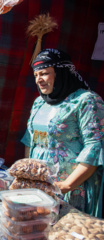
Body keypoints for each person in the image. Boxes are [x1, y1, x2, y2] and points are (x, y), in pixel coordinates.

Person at [21, 49, 104, 218]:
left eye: (44, 73)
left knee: (67, 230)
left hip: (71, 187)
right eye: (36, 75)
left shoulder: (86, 101)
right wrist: (27, 174)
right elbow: (31, 140)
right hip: (41, 185)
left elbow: (94, 147)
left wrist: (66, 185)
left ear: (61, 72)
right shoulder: (39, 102)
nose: (39, 80)